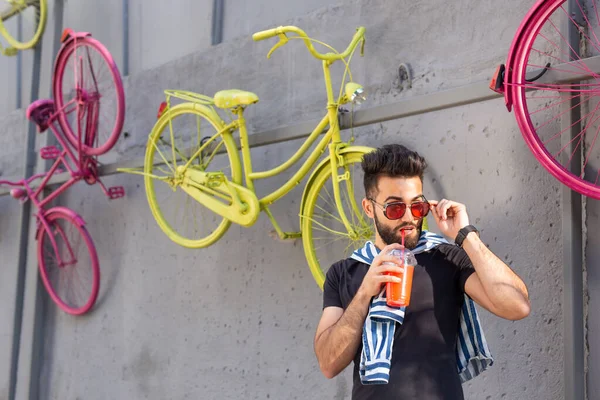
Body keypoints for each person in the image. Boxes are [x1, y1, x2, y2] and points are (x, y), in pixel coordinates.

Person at [313, 144, 530, 400]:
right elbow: (328, 364)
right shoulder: (344, 272)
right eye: (395, 208)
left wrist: (465, 235)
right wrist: (363, 295)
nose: (408, 218)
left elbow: (517, 306)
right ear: (369, 208)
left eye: (417, 207)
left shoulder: (445, 256)